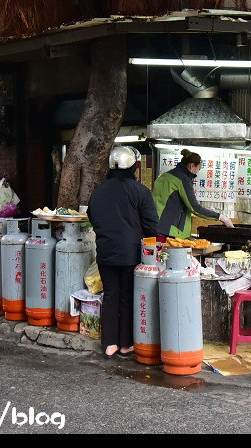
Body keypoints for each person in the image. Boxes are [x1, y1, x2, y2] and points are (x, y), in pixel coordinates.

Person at [87, 146, 159, 359]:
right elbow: (152, 226)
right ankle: (126, 344)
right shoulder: (140, 191)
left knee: (110, 295)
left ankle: (110, 343)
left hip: (106, 253)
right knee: (127, 297)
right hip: (130, 254)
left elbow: (93, 218)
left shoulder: (98, 192)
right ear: (133, 167)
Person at [153, 149, 234, 239]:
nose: (197, 173)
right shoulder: (183, 180)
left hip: (155, 227)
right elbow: (195, 208)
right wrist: (221, 217)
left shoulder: (164, 176)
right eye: (198, 169)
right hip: (170, 232)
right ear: (192, 166)